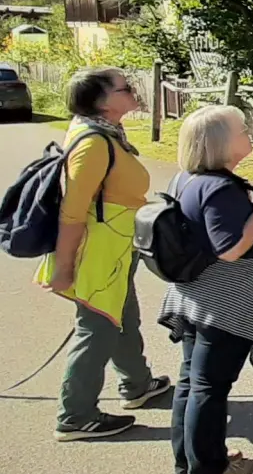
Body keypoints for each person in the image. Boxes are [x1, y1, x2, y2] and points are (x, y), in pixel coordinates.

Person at [40, 67, 170, 441]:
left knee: (123, 316)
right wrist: (64, 268)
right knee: (97, 328)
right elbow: (72, 211)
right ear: (101, 102)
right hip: (98, 252)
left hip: (114, 248)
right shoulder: (94, 143)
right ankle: (76, 414)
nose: (131, 90)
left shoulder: (105, 133)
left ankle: (137, 383)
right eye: (123, 88)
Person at [158, 105, 253, 474]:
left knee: (192, 382)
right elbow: (230, 249)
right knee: (209, 387)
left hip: (192, 298)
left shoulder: (188, 179)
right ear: (221, 143)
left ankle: (189, 462)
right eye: (241, 129)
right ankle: (208, 471)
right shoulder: (221, 188)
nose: (248, 133)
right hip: (221, 305)